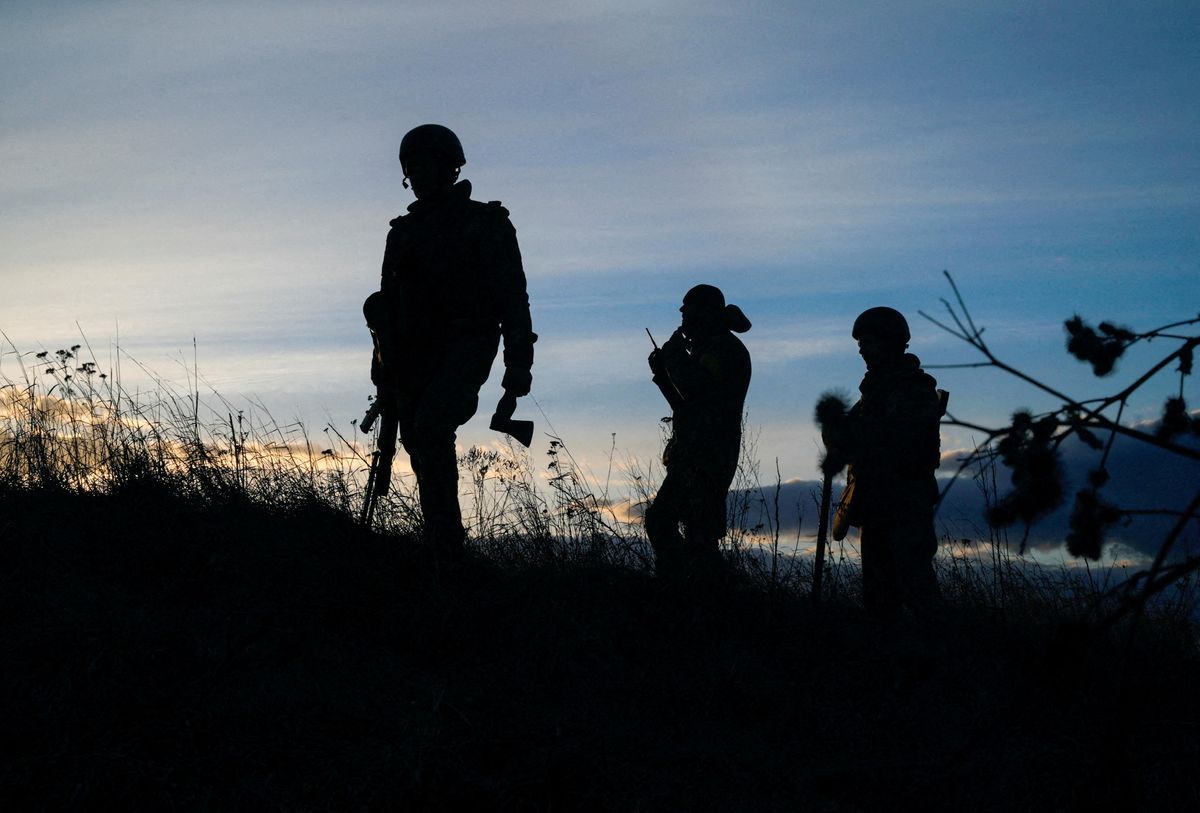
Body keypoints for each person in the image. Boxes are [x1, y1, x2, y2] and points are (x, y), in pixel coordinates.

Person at [366, 124, 535, 550]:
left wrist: (518, 370)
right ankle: (441, 542)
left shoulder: (486, 223)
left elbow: (513, 299)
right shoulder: (401, 233)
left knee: (431, 426)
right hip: (411, 353)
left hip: (467, 344)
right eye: (412, 167)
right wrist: (382, 371)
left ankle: (448, 548)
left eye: (426, 165)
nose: (418, 175)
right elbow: (388, 305)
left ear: (450, 167)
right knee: (417, 442)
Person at [822, 306, 944, 621]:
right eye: (860, 343)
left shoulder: (913, 388)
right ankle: (884, 657)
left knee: (915, 587)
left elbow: (897, 442)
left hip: (903, 504)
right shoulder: (874, 391)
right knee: (878, 596)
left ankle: (939, 655)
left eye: (868, 341)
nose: (862, 349)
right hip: (876, 504)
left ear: (890, 342)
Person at [645, 285, 752, 579]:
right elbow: (685, 405)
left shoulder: (723, 349)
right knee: (690, 531)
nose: (682, 314)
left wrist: (675, 356)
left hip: (707, 456)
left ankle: (689, 592)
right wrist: (663, 374)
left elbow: (696, 389)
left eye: (687, 307)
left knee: (685, 530)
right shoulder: (710, 348)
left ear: (705, 312)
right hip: (695, 452)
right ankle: (689, 591)